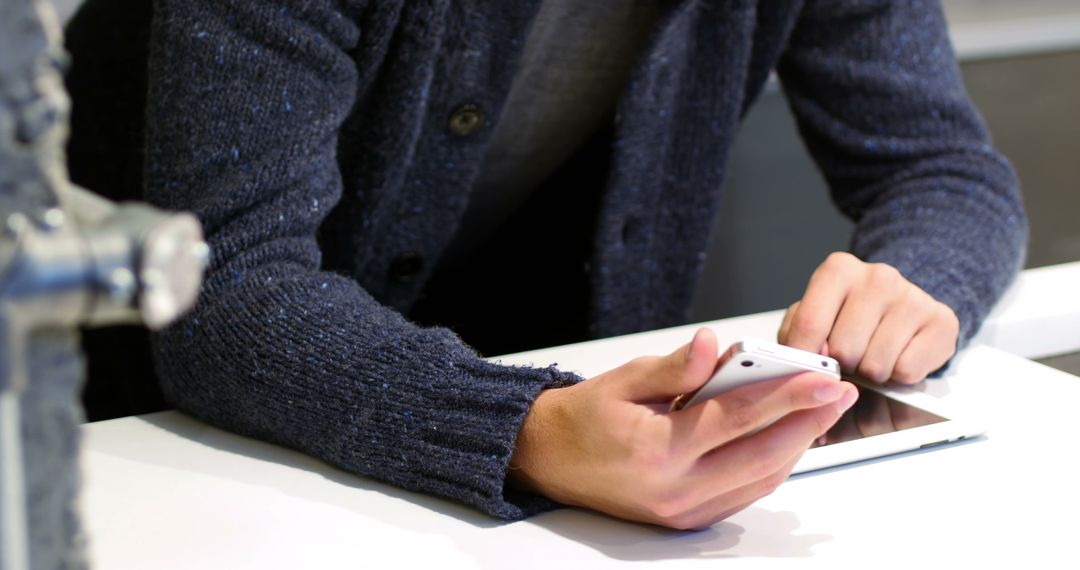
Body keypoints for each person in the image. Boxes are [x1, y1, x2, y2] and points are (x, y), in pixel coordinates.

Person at [65, 0, 1026, 529]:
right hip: (138, 444)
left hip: (533, 470)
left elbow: (946, 169)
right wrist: (517, 427)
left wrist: (917, 282)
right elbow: (221, 282)